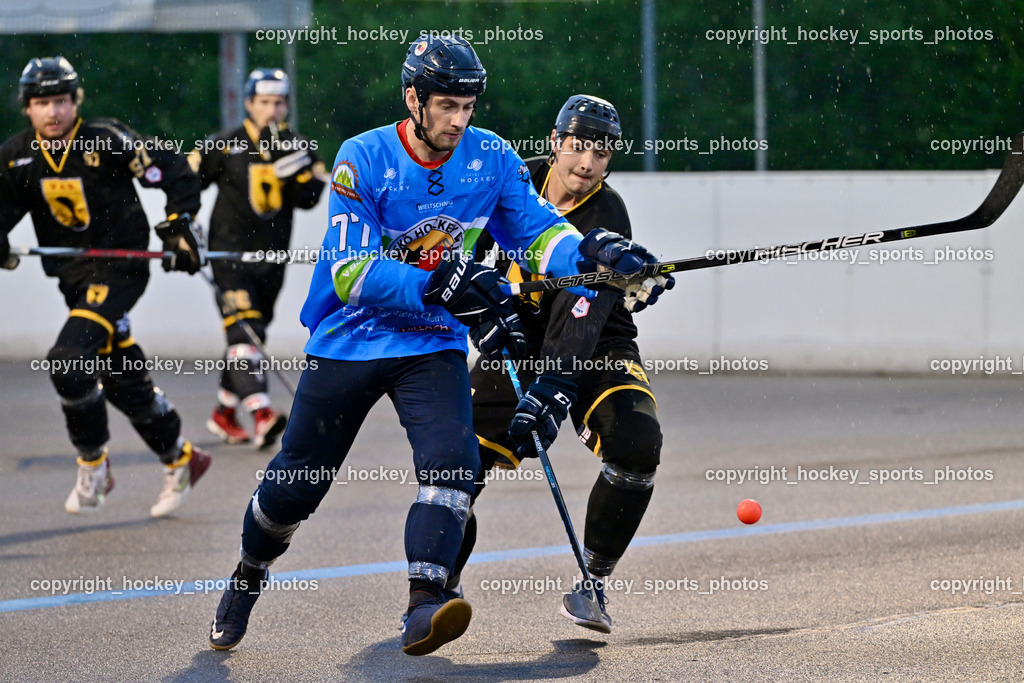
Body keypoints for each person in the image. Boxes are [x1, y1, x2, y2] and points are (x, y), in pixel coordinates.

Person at [207, 37, 658, 655]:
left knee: (452, 467)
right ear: (412, 99)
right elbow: (349, 273)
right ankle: (248, 573)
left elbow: (538, 234)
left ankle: (425, 605)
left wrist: (597, 254)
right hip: (352, 337)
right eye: (447, 106)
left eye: (468, 107)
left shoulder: (491, 157)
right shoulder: (361, 157)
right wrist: (439, 280)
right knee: (297, 485)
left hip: (433, 343)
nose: (459, 121)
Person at [450, 94, 674, 634]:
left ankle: (592, 579)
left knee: (638, 444)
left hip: (596, 344)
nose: (587, 164)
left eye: (601, 153)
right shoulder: (514, 182)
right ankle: (438, 589)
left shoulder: (607, 211)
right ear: (554, 143)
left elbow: (579, 311)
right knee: (451, 469)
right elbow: (462, 252)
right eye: (578, 148)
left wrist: (555, 383)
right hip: (517, 344)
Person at [0, 56, 211, 517]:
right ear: (26, 108)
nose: (52, 112)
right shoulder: (15, 155)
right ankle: (181, 456)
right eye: (41, 103)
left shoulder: (106, 138)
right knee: (118, 379)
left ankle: (94, 465)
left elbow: (171, 167)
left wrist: (179, 222)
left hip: (120, 271)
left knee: (69, 364)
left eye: (61, 100)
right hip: (73, 280)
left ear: (76, 101)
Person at [191, 68, 326, 450]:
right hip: (229, 255)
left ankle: (223, 413)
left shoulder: (298, 145)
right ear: (249, 103)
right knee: (243, 329)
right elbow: (187, 183)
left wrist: (297, 172)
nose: (272, 109)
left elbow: (312, 197)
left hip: (272, 257)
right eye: (264, 102)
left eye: (279, 102)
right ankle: (262, 411)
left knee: (252, 335)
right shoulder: (225, 144)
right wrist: (181, 226)